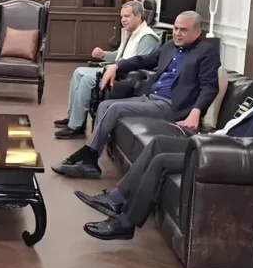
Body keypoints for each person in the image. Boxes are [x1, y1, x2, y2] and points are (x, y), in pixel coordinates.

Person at [76, 44, 253, 241]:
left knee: (162, 161)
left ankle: (125, 223)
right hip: (219, 143)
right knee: (158, 143)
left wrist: (216, 144)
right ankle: (115, 199)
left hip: (228, 156)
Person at [52, 10, 220, 179]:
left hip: (172, 106)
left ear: (197, 32)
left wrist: (196, 112)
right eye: (175, 28)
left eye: (183, 30)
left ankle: (88, 159)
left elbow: (210, 87)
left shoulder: (207, 52)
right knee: (105, 105)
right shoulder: (170, 46)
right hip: (151, 98)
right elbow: (144, 60)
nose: (177, 33)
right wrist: (115, 66)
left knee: (115, 109)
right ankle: (91, 159)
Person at [55, 1, 160, 139]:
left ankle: (76, 126)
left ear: (139, 16)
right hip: (116, 69)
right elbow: (120, 55)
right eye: (122, 17)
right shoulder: (131, 32)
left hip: (125, 76)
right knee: (79, 72)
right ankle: (73, 117)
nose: (123, 20)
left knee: (87, 79)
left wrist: (115, 66)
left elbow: (140, 63)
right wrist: (103, 54)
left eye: (127, 16)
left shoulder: (147, 37)